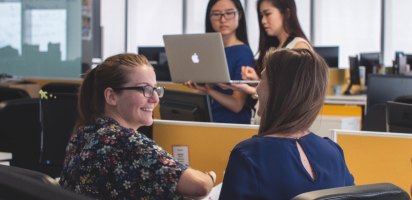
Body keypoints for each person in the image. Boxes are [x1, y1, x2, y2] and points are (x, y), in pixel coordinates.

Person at [59, 53, 216, 200]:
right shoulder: (125, 142)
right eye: (145, 89)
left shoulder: (84, 133)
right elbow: (199, 186)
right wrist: (211, 176)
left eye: (155, 89)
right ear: (111, 96)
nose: (155, 98)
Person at [219, 48, 354, 200]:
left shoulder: (248, 155)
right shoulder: (334, 153)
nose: (257, 88)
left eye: (262, 80)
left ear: (278, 91)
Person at [183, 0, 255, 124]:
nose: (223, 19)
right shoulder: (207, 50)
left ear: (239, 15)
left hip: (230, 125)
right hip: (207, 120)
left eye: (229, 13)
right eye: (216, 14)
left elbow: (237, 105)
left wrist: (208, 90)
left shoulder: (242, 52)